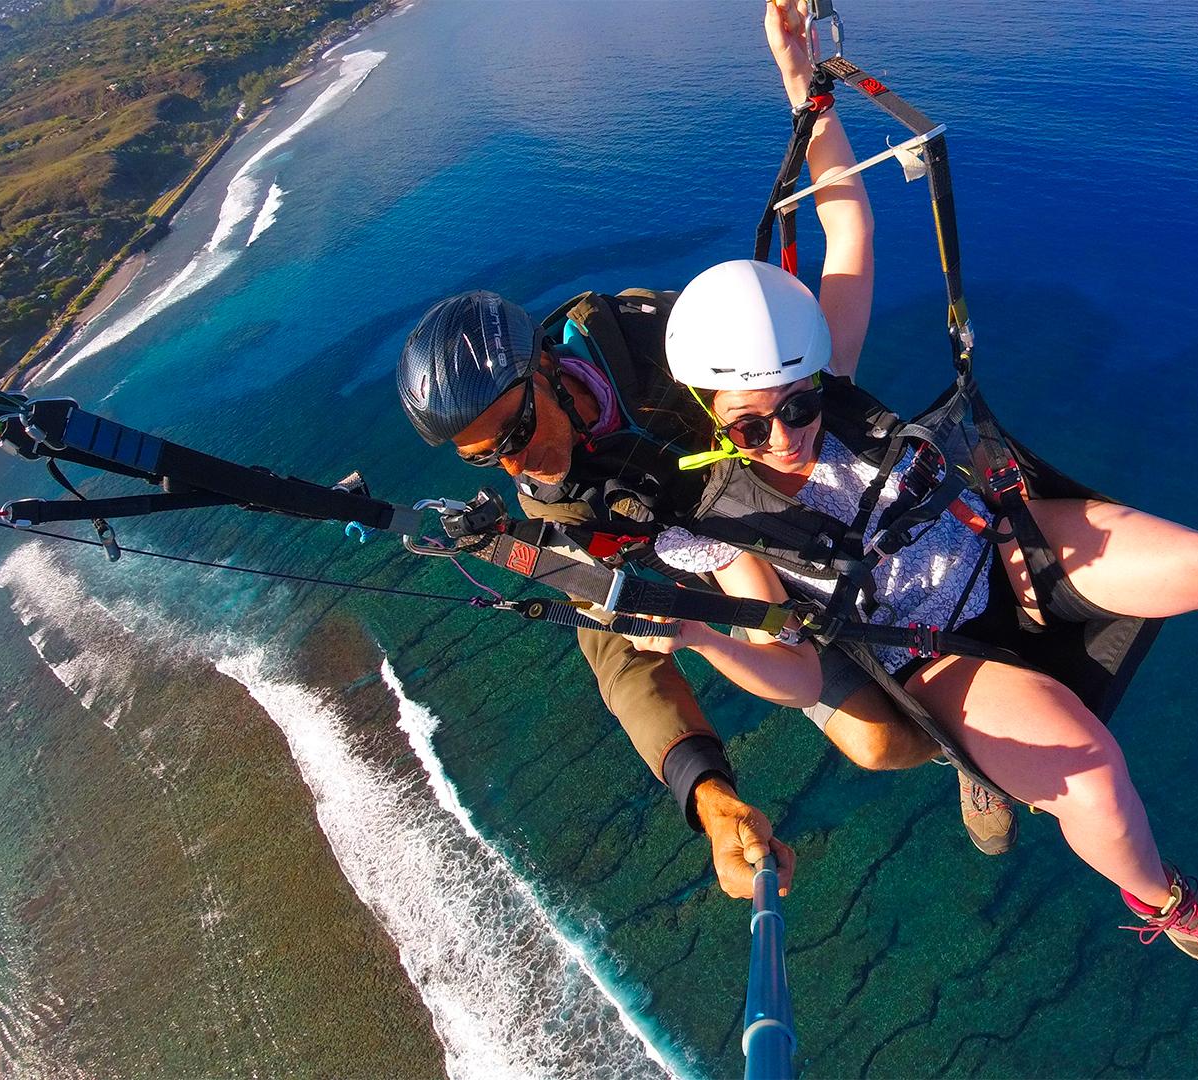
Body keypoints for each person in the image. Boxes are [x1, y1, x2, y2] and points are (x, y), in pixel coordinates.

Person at [621, 11, 1198, 966]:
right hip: (930, 650)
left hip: (1001, 543)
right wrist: (695, 632)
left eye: (801, 402)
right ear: (711, 418)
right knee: (1091, 775)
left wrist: (799, 76)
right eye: (754, 425)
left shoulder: (833, 384)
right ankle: (1158, 895)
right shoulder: (723, 520)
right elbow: (797, 672)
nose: (789, 434)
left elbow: (844, 216)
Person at [393, 0, 1019, 900]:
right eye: (486, 457)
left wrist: (800, 78)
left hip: (812, 504)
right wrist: (710, 797)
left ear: (544, 365)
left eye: (520, 430)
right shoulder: (556, 510)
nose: (522, 464)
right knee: (879, 741)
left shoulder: (662, 340)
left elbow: (830, 263)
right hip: (751, 568)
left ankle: (975, 717)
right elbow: (616, 651)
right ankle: (970, 755)